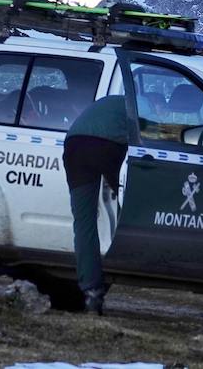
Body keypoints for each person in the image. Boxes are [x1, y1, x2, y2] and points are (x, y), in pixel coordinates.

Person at [62, 93, 131, 315]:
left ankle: (91, 291)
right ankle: (131, 262)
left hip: (75, 145)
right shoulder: (144, 106)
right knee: (131, 208)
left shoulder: (112, 101)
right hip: (108, 145)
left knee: (84, 221)